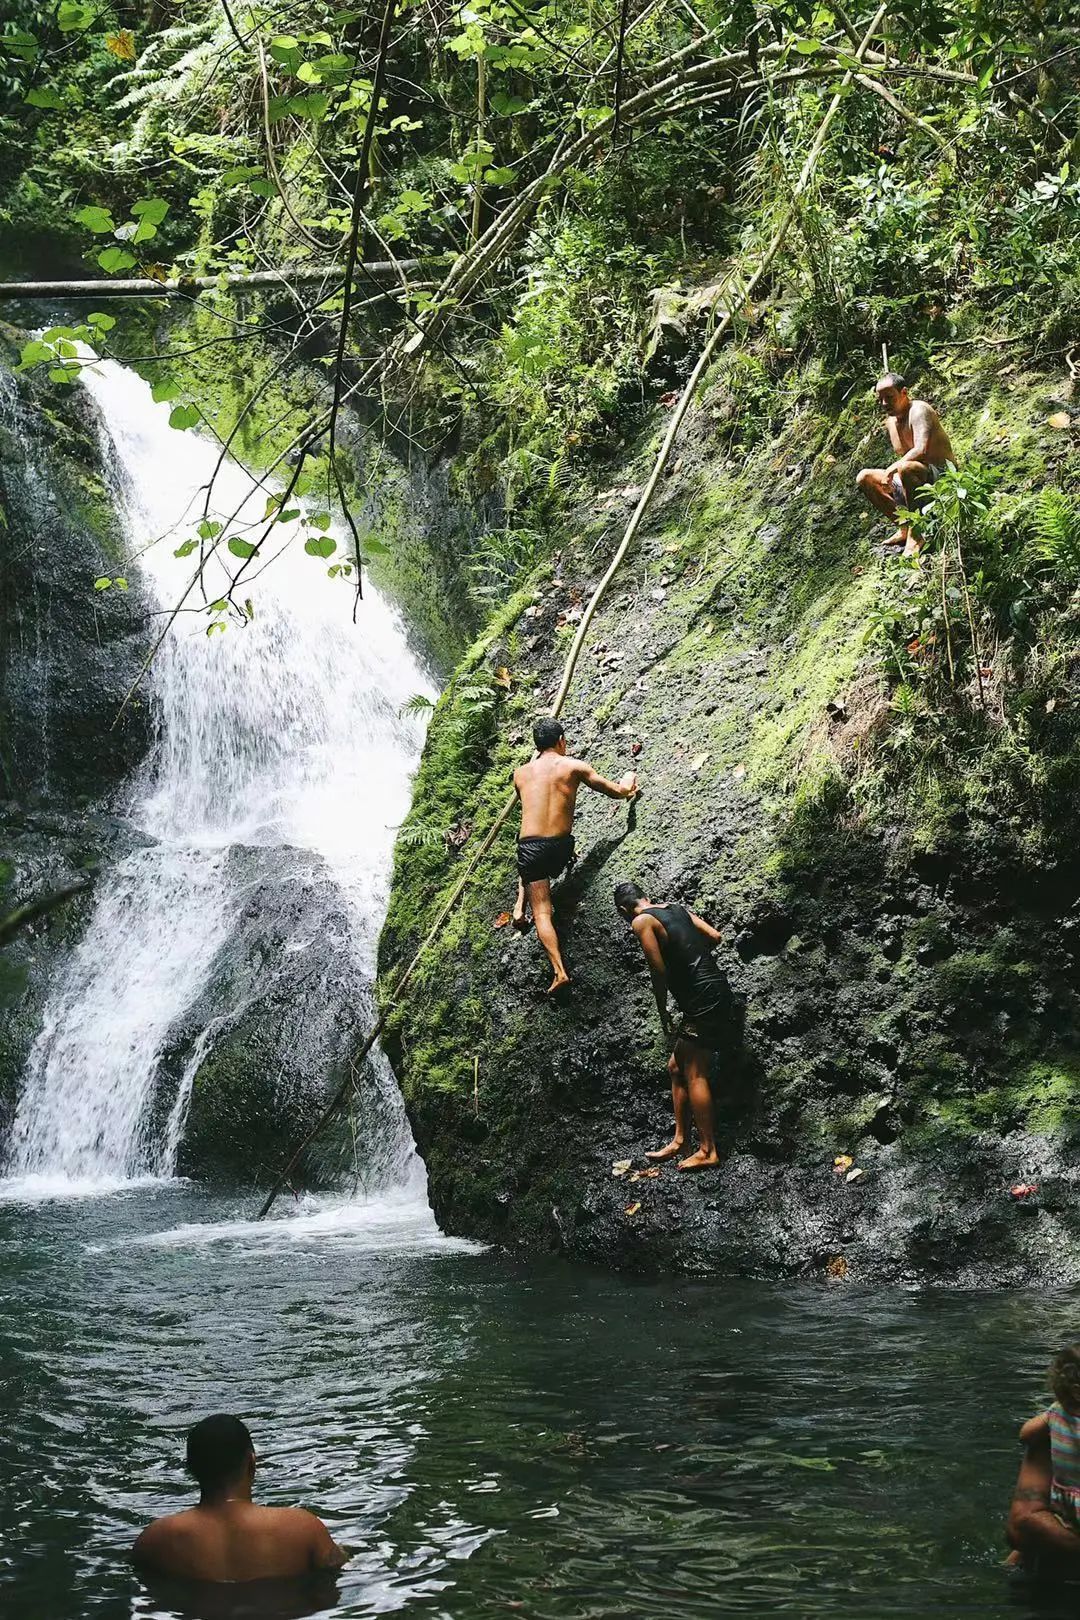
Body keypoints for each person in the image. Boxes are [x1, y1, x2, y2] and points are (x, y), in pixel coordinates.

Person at [132, 1414, 346, 1584]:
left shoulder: (155, 1540)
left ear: (191, 1469)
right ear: (252, 1462)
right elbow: (334, 1581)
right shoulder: (302, 1528)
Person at [614, 881, 735, 1172]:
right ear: (646, 896)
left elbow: (658, 970)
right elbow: (715, 937)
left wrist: (662, 1009)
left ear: (623, 911)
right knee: (676, 1067)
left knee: (694, 1071)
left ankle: (708, 1150)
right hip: (715, 990)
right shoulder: (676, 908)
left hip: (702, 1000)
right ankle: (681, 1140)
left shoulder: (642, 921)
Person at [513, 717, 637, 994]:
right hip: (560, 847)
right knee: (547, 860)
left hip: (530, 851)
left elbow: (529, 814)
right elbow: (616, 792)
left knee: (543, 912)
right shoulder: (573, 766)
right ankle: (524, 903)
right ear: (561, 741)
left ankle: (559, 972)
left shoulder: (520, 773)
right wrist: (628, 782)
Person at [856, 372, 956, 557]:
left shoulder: (919, 410)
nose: (885, 404)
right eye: (881, 399)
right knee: (865, 478)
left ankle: (917, 535)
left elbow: (920, 450)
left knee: (905, 468)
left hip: (943, 476)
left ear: (904, 392)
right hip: (914, 477)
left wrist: (892, 469)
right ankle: (904, 526)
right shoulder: (890, 422)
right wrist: (892, 475)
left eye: (889, 397)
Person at [1008, 1347, 1080, 1573]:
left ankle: (1014, 1560)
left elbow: (1026, 1433)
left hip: (1063, 1503)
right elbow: (1021, 1523)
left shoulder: (1055, 1413)